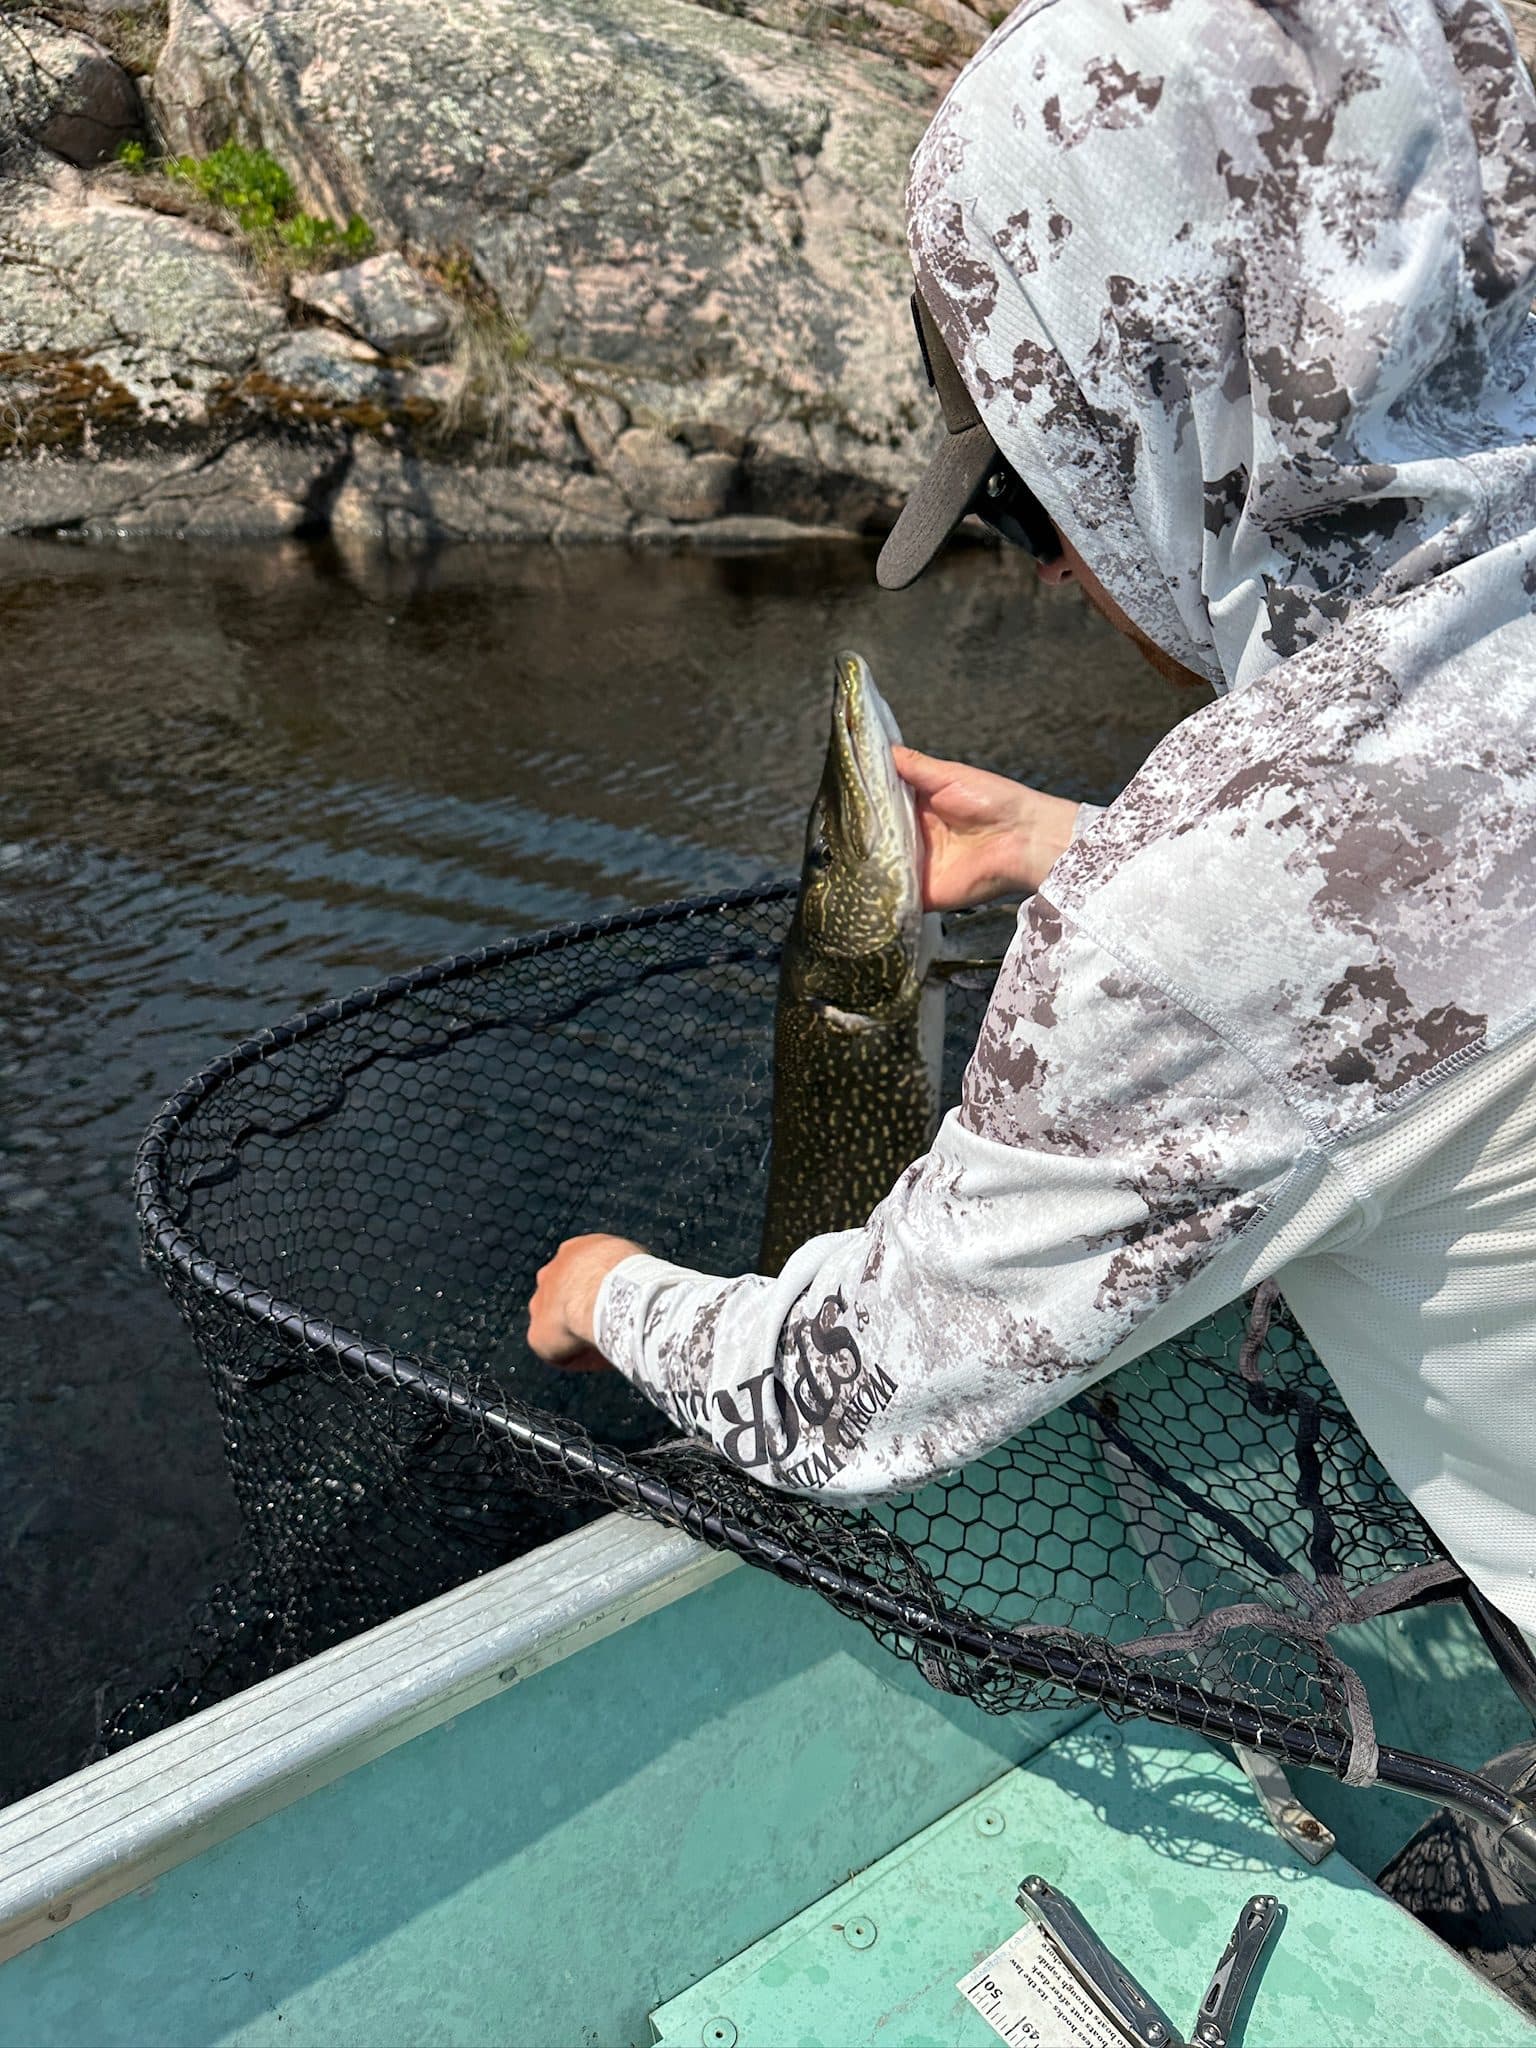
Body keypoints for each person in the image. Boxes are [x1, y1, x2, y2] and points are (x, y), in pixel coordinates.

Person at [530, 0, 1536, 1642]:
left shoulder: (1213, 915)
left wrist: (609, 1293)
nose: (1062, 565)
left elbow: (850, 1401)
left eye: (1021, 492)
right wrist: (1073, 844)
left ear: (1164, 400)